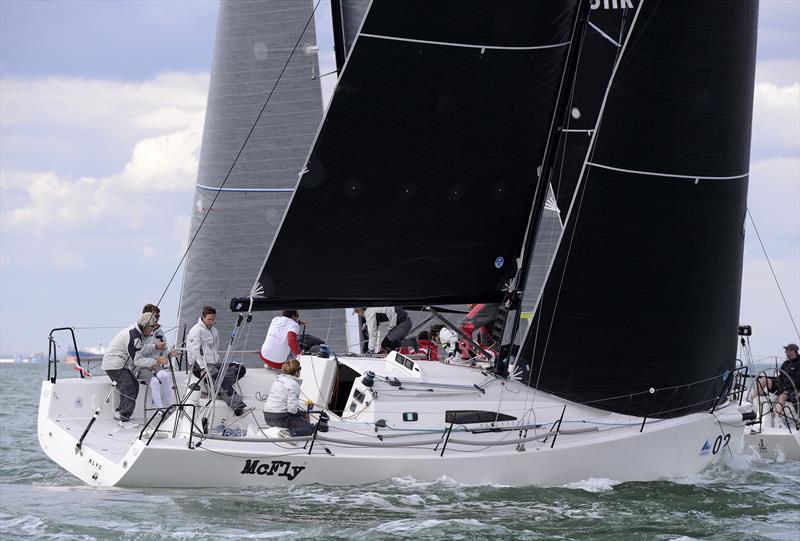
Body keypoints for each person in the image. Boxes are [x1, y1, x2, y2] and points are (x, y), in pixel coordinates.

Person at [187, 306, 251, 417]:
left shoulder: (214, 330)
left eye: (213, 319)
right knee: (220, 378)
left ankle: (214, 389)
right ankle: (239, 408)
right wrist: (203, 368)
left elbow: (215, 349)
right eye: (209, 319)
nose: (212, 322)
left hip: (214, 364)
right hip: (198, 365)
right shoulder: (195, 331)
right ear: (203, 317)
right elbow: (194, 352)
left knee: (239, 369)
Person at [101, 311, 161, 428]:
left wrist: (154, 346)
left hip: (120, 364)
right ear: (145, 326)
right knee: (129, 389)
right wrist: (157, 361)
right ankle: (124, 420)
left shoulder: (137, 332)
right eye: (152, 327)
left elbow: (140, 349)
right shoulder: (134, 336)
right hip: (114, 365)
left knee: (134, 384)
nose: (153, 331)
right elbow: (137, 361)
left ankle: (120, 412)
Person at [134, 304, 175, 411]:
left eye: (158, 316)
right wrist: (155, 346)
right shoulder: (138, 332)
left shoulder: (159, 331)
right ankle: (161, 410)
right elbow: (140, 351)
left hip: (155, 364)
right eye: (155, 316)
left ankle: (170, 408)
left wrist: (170, 353)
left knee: (165, 376)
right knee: (155, 382)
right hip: (141, 366)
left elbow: (164, 348)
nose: (157, 319)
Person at [263, 359, 315, 436]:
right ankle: (288, 433)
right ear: (296, 371)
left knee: (298, 419)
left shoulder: (278, 380)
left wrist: (300, 413)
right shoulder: (294, 384)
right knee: (310, 428)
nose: (300, 370)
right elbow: (292, 410)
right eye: (299, 368)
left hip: (267, 416)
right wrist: (303, 414)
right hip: (280, 418)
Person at [774, 343, 800, 421]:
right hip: (786, 388)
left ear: (792, 351)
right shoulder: (787, 363)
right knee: (763, 380)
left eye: (787, 350)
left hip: (794, 389)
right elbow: (781, 376)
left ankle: (777, 418)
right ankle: (776, 417)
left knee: (784, 396)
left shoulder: (799, 363)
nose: (785, 352)